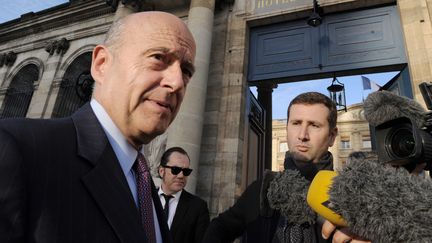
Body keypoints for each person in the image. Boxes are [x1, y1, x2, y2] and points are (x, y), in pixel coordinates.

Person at [0, 11, 196, 243]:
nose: (176, 82)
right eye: (158, 58)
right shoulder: (15, 148)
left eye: (186, 71)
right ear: (102, 65)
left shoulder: (144, 183)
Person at [203, 92, 339, 243]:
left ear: (332, 136)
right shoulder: (262, 188)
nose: (302, 135)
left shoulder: (348, 196)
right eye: (296, 123)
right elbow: (220, 227)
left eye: (314, 125)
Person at [158, 147, 210, 243]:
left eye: (186, 171)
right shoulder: (145, 199)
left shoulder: (198, 207)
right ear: (162, 171)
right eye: (175, 169)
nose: (181, 176)